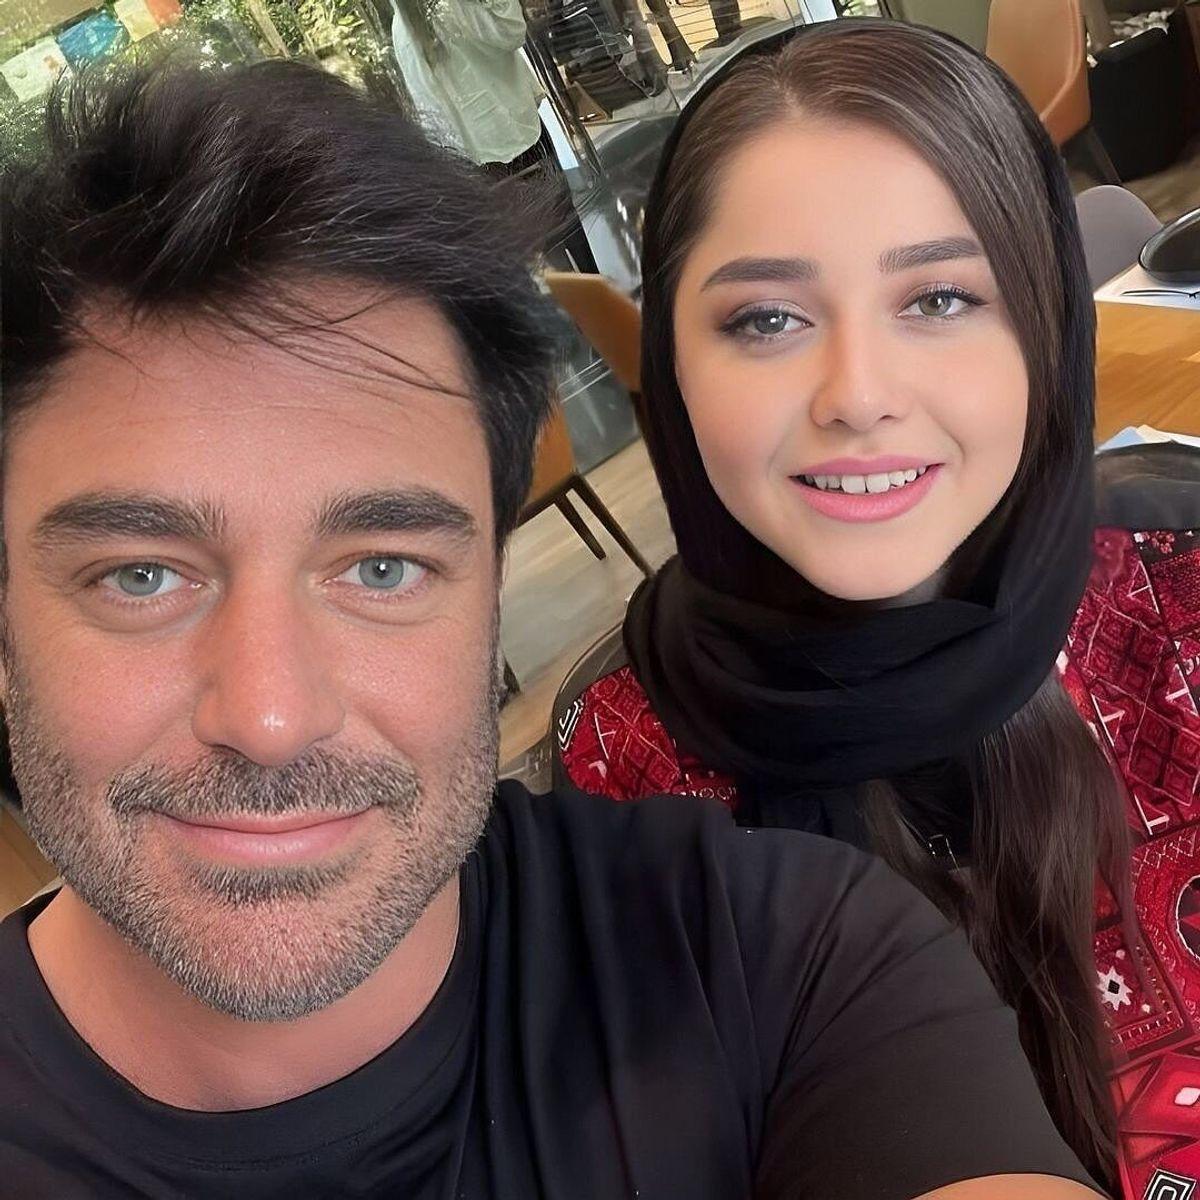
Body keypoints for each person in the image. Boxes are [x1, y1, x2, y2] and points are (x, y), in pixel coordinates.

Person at [0, 57, 1101, 1199]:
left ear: (492, 583)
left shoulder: (783, 951)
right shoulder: (632, 748)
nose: (272, 717)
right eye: (141, 577)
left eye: (382, 567)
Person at [555, 19, 1200, 1197]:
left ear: (1047, 323)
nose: (856, 395)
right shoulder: (618, 766)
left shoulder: (1182, 603)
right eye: (766, 319)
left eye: (940, 298)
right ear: (672, 368)